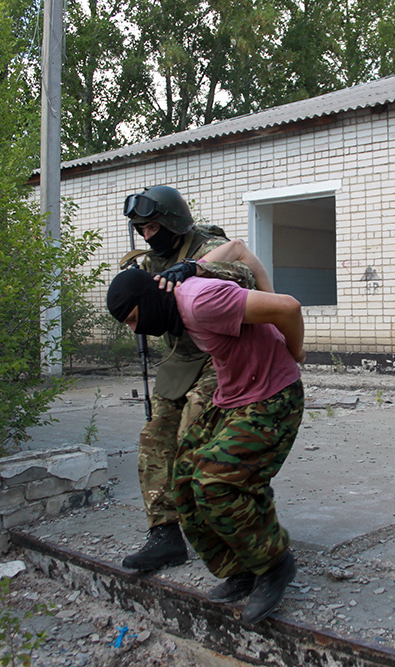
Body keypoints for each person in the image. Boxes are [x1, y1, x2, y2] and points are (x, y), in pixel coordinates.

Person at [106, 266, 305, 625]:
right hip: (233, 397)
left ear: (148, 301)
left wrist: (296, 352)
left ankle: (274, 564)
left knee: (215, 481)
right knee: (182, 480)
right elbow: (225, 256)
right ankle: (243, 566)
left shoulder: (198, 301)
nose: (135, 330)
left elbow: (288, 307)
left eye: (134, 319)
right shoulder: (182, 303)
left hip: (273, 396)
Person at [119, 185, 263, 571]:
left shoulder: (206, 245)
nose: (148, 237)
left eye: (153, 228)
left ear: (172, 222)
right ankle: (164, 534)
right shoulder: (152, 260)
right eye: (142, 230)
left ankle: (224, 527)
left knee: (192, 433)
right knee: (155, 436)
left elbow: (245, 273)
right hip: (182, 356)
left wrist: (196, 269)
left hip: (223, 354)